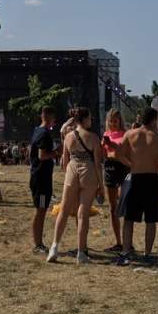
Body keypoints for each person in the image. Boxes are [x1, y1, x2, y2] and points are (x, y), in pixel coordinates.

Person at [114, 106, 158, 266]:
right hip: (152, 179)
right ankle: (147, 253)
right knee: (151, 220)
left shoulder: (130, 134)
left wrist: (131, 164)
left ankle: (126, 252)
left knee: (129, 218)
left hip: (134, 178)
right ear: (154, 120)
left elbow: (118, 154)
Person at [47, 107, 104, 265]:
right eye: (90, 118)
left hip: (72, 169)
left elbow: (64, 162)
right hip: (88, 171)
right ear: (84, 119)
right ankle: (81, 252)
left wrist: (70, 174)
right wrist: (101, 186)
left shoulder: (68, 136)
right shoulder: (93, 137)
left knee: (64, 210)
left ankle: (54, 247)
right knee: (83, 212)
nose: (91, 121)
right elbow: (98, 164)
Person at [29, 106, 58, 253]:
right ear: (49, 117)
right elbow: (42, 155)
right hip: (41, 179)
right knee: (40, 210)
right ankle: (38, 244)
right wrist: (55, 153)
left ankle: (38, 242)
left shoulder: (37, 131)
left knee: (41, 209)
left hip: (39, 177)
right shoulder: (44, 134)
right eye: (53, 119)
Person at [100, 109, 129, 253]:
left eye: (115, 121)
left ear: (120, 121)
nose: (113, 124)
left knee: (124, 205)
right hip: (109, 169)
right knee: (113, 208)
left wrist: (111, 147)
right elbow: (104, 154)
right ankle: (119, 242)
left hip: (122, 170)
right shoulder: (106, 134)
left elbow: (121, 154)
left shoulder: (125, 134)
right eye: (110, 121)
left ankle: (127, 241)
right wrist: (102, 147)